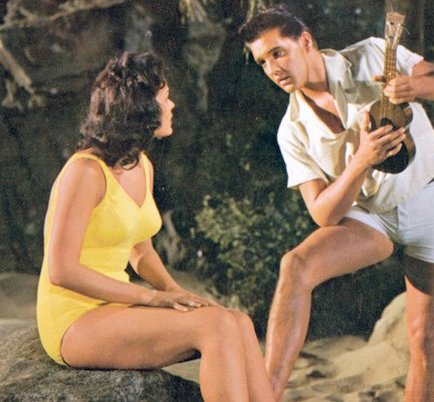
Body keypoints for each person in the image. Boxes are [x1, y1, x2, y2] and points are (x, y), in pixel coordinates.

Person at [239, 6, 434, 401]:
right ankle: (266, 395)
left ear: (305, 41)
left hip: (430, 199)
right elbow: (323, 213)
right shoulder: (291, 130)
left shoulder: (373, 55)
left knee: (425, 337)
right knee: (296, 265)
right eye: (262, 62)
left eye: (278, 52)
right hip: (370, 217)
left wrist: (415, 87)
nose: (273, 68)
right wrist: (361, 160)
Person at [36, 52, 275, 402]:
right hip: (75, 318)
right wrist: (151, 297)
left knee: (237, 321)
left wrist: (175, 292)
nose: (172, 105)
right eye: (165, 98)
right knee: (218, 327)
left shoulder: (141, 165)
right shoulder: (84, 172)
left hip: (115, 307)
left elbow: (141, 250)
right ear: (141, 111)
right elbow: (62, 271)